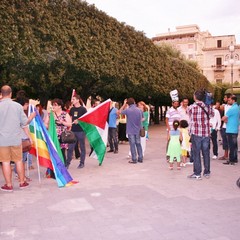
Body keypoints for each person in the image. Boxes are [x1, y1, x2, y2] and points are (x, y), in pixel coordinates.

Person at [0, 85, 35, 192]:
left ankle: (9, 185)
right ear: (10, 94)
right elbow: (25, 123)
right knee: (18, 161)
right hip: (16, 139)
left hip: (2, 140)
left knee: (5, 162)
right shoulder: (17, 106)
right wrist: (32, 116)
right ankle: (22, 182)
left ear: (1, 94)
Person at [187, 89, 214, 180]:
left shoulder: (191, 107)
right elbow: (212, 115)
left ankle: (197, 173)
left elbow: (189, 115)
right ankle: (207, 172)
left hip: (196, 134)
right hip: (206, 133)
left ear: (195, 97)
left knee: (196, 153)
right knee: (206, 153)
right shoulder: (208, 107)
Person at [118, 98, 143, 164]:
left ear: (128, 104)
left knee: (132, 145)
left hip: (130, 130)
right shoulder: (139, 110)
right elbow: (141, 120)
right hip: (137, 130)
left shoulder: (128, 110)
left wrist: (124, 104)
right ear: (134, 102)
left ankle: (134, 159)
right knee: (138, 144)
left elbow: (119, 112)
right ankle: (140, 158)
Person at [66, 94, 87, 169]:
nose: (72, 101)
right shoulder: (72, 109)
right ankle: (67, 163)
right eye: (72, 99)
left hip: (81, 131)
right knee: (70, 147)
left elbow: (86, 120)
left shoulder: (83, 109)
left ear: (78, 100)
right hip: (73, 130)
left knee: (82, 147)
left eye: (74, 99)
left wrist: (79, 121)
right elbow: (69, 118)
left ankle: (82, 163)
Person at [49, 98, 72, 166]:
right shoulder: (50, 114)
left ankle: (63, 169)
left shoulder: (65, 114)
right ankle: (54, 170)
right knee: (54, 153)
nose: (53, 106)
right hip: (53, 136)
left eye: (55, 105)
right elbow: (45, 123)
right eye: (53, 105)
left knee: (61, 153)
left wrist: (62, 122)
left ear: (59, 106)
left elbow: (70, 124)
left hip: (62, 137)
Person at [222, 95, 239, 165]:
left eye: (229, 100)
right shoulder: (237, 107)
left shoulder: (232, 109)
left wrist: (225, 120)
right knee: (234, 146)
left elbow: (223, 118)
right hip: (235, 129)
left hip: (230, 129)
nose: (228, 101)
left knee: (231, 146)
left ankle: (231, 160)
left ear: (233, 100)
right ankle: (235, 159)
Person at [219, 93, 232, 160]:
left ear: (228, 98)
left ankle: (230, 155)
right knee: (225, 141)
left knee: (229, 141)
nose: (224, 99)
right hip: (224, 126)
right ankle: (225, 154)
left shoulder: (232, 107)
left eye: (225, 97)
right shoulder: (225, 106)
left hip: (229, 127)